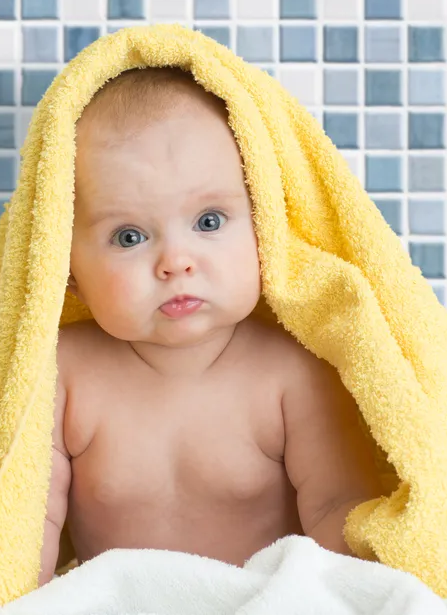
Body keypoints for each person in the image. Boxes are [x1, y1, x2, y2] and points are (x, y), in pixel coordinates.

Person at [39, 67, 382, 586]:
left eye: (209, 222)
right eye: (129, 236)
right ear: (66, 270)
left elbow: (338, 507)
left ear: (264, 224)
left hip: (260, 600)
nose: (176, 261)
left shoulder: (290, 368)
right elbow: (27, 518)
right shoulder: (63, 370)